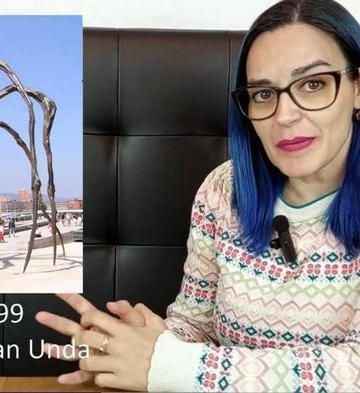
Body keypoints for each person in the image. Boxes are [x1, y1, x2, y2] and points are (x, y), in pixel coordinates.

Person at [36, 0, 360, 391]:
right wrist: (134, 346)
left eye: (313, 84)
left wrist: (172, 365)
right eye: (262, 94)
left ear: (357, 89)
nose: (284, 115)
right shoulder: (223, 189)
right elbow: (196, 322)